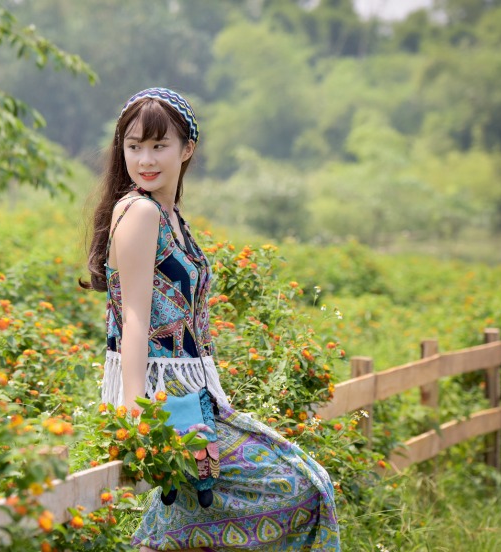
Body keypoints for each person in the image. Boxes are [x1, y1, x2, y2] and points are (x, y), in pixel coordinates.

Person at [81, 88, 341, 551]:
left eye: (159, 146)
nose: (145, 159)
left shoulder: (168, 214)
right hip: (164, 397)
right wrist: (135, 411)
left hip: (195, 393)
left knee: (299, 483)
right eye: (134, 145)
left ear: (187, 149)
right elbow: (136, 318)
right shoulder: (139, 211)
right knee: (302, 487)